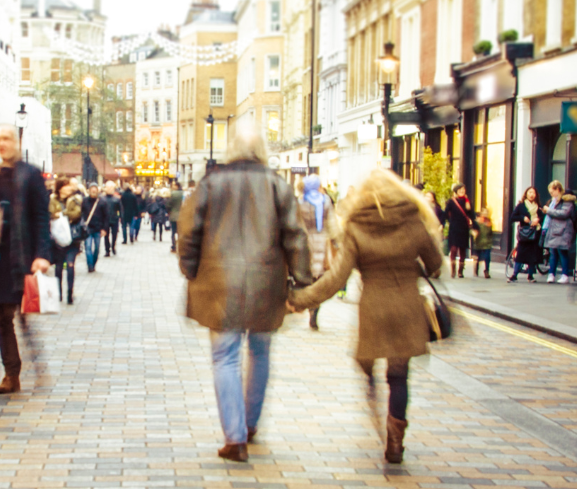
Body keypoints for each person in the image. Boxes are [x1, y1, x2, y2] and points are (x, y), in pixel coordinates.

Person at [289, 168, 444, 465]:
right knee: (399, 376)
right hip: (408, 306)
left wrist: (299, 300)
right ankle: (396, 439)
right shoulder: (413, 220)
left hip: (374, 307)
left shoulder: (357, 227)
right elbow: (435, 263)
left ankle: (370, 381)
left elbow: (335, 279)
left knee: (366, 357)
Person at [178, 128, 312, 463]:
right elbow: (296, 236)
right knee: (261, 351)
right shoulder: (277, 185)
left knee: (225, 356)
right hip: (267, 282)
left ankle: (234, 438)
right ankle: (250, 424)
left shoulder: (211, 183)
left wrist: (191, 269)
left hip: (219, 282)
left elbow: (188, 230)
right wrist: (303, 280)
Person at [0, 125, 52, 395]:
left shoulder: (31, 174)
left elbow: (41, 217)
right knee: (2, 318)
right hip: (0, 260)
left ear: (17, 141)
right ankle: (11, 374)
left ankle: (38, 364)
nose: (2, 143)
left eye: (7, 138)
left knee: (26, 315)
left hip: (24, 256)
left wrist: (42, 255)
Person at [297, 175, 338, 331]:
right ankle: (315, 307)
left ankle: (310, 306)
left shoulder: (301, 201)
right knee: (320, 279)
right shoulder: (325, 201)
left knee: (308, 278)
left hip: (305, 243)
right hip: (322, 242)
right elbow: (332, 224)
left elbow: (296, 223)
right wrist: (336, 241)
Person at [50, 179, 84, 304]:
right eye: (67, 185)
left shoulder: (76, 199)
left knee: (70, 264)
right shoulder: (53, 200)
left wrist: (63, 214)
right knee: (58, 266)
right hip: (58, 237)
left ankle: (70, 292)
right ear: (61, 187)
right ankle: (58, 293)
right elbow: (50, 213)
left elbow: (77, 214)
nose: (70, 188)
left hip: (73, 237)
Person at [542, 180, 577, 284]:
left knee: (562, 252)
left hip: (563, 231)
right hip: (554, 230)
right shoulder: (554, 201)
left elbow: (564, 213)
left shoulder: (566, 200)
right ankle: (551, 274)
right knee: (553, 252)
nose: (551, 195)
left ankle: (565, 275)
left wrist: (548, 210)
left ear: (557, 189)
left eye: (552, 192)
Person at [509, 187, 544, 283]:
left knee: (532, 255)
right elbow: (513, 217)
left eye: (533, 193)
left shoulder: (538, 206)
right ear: (526, 194)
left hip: (535, 233)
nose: (531, 194)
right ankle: (514, 274)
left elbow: (542, 217)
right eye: (530, 192)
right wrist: (522, 218)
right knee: (520, 254)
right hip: (524, 234)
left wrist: (538, 220)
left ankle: (530, 275)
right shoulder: (521, 205)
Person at [443, 183, 476, 279]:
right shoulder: (451, 202)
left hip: (464, 228)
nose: (462, 192)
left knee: (462, 250)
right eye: (460, 190)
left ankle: (460, 271)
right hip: (454, 228)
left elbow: (472, 215)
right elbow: (446, 213)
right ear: (456, 192)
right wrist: (447, 222)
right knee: (453, 249)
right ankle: (453, 270)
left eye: (463, 190)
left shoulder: (467, 202)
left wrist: (470, 216)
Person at [80, 183, 108, 272]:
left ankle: (93, 262)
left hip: (98, 228)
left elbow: (106, 216)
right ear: (89, 190)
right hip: (87, 228)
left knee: (96, 248)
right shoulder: (84, 201)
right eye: (92, 189)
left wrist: (104, 229)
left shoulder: (102, 202)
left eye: (95, 189)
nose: (93, 191)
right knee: (87, 247)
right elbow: (81, 213)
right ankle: (90, 265)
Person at [473, 209, 494, 278]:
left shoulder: (489, 222)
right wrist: (474, 233)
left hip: (487, 243)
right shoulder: (478, 221)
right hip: (479, 242)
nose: (485, 214)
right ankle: (476, 269)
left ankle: (486, 271)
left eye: (487, 213)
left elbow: (491, 232)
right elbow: (472, 229)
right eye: (484, 213)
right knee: (478, 258)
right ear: (482, 213)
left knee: (487, 257)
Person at [103, 182, 122, 256]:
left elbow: (120, 209)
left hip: (114, 219)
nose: (109, 189)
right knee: (106, 235)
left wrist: (120, 217)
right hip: (105, 220)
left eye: (111, 188)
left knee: (114, 235)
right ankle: (107, 250)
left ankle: (113, 246)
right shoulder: (102, 199)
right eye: (108, 187)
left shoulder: (116, 199)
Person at [167, 182, 185, 253]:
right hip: (183, 216)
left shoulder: (173, 194)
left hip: (174, 216)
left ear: (177, 186)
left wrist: (169, 212)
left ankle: (173, 245)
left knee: (173, 232)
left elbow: (168, 205)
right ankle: (181, 246)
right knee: (181, 232)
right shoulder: (184, 194)